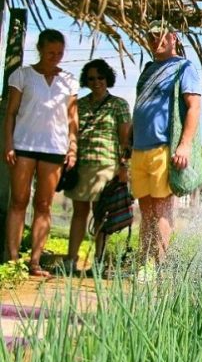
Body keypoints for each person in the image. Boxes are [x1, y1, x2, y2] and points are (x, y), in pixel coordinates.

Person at [3, 29, 79, 278]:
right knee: (18, 201)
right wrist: (8, 144)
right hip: (24, 144)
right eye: (50, 53)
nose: (55, 57)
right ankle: (13, 259)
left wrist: (72, 146)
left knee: (44, 204)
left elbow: (72, 118)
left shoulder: (69, 80)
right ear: (40, 50)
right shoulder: (22, 75)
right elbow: (11, 112)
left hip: (54, 148)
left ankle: (35, 261)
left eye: (59, 53)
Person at [131, 20, 201, 267]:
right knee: (146, 211)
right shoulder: (149, 68)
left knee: (162, 210)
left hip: (163, 147)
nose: (155, 39)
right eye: (150, 35)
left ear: (173, 38)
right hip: (139, 148)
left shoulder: (184, 67)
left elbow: (193, 107)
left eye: (160, 35)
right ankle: (143, 264)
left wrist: (184, 145)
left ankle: (160, 268)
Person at [64, 59, 132, 271]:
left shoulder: (118, 105)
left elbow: (125, 139)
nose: (96, 82)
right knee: (79, 213)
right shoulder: (79, 105)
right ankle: (71, 260)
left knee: (101, 215)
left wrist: (124, 166)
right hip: (82, 166)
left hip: (107, 167)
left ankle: (99, 262)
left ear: (107, 79)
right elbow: (71, 133)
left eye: (100, 78)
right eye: (92, 78)